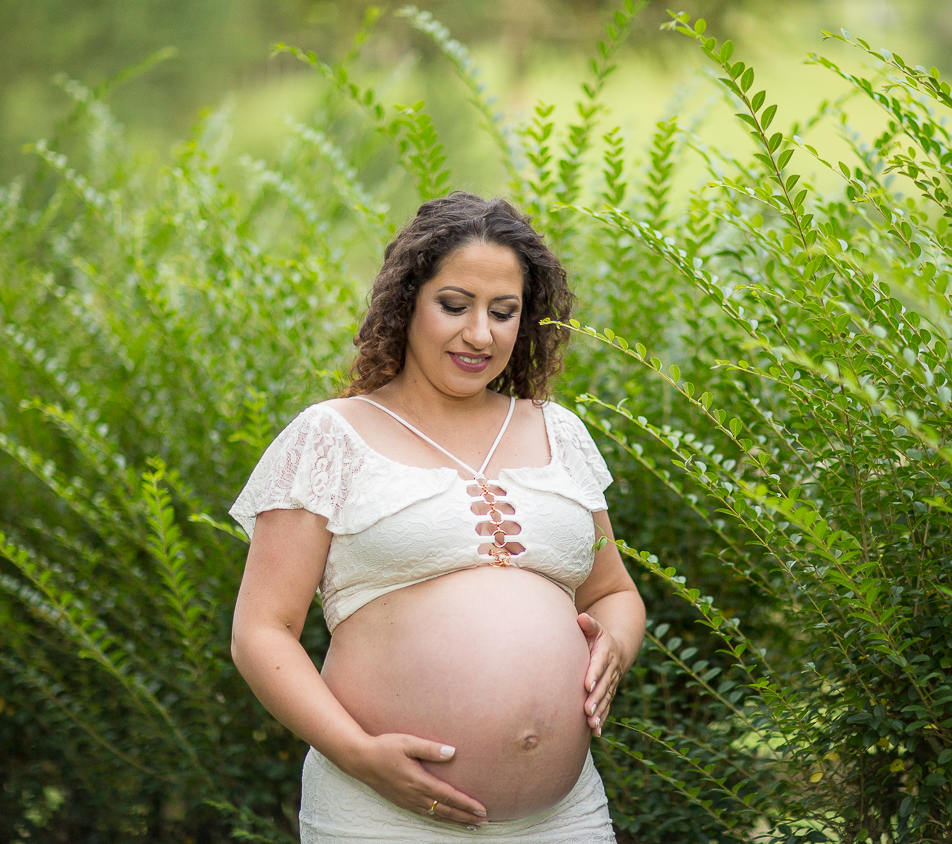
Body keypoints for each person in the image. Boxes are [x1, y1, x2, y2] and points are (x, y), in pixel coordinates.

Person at [229, 192, 645, 843]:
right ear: (407, 303)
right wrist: (358, 754)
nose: (480, 334)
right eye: (455, 305)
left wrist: (616, 644)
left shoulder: (559, 434)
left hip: (565, 820)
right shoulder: (330, 438)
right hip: (382, 816)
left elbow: (614, 592)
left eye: (504, 312)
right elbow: (261, 631)